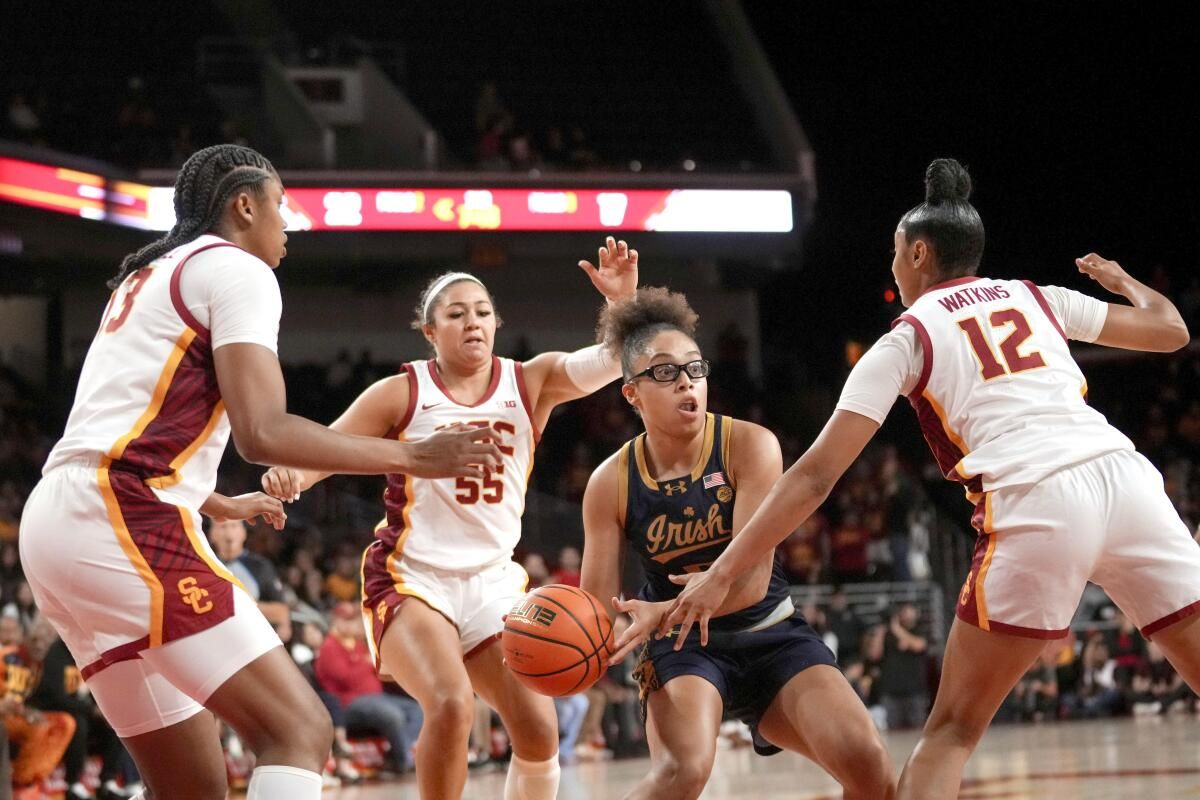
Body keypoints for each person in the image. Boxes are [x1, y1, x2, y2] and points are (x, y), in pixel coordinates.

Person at [663, 158, 1198, 799]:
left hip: (1038, 495)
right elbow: (1172, 331)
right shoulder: (1040, 298)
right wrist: (1122, 280)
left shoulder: (907, 337)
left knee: (950, 733)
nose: (892, 266)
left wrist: (722, 573)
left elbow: (814, 478)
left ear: (918, 253)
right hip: (1127, 479)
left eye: (895, 253)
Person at [17, 144, 502, 800]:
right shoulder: (237, 269)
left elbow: (123, 424)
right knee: (299, 730)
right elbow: (263, 433)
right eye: (280, 204)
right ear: (244, 206)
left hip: (60, 522)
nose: (288, 222)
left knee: (191, 789)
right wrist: (414, 455)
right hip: (120, 517)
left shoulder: (149, 273)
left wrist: (211, 501)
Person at [262, 236, 639, 799]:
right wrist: (291, 476)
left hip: (491, 581)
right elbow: (331, 448)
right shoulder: (402, 391)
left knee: (539, 729)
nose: (473, 323)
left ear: (496, 323)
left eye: (483, 312)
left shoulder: (530, 380)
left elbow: (607, 361)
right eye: (457, 314)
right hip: (413, 577)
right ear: (430, 332)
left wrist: (621, 304)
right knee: (451, 703)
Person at [580, 288, 894, 799]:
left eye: (694, 367)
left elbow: (749, 583)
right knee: (682, 772)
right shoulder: (609, 482)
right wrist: (566, 639)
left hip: (770, 632)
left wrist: (659, 614)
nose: (685, 381)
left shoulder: (749, 444)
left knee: (871, 766)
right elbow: (595, 608)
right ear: (631, 393)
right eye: (665, 371)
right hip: (682, 649)